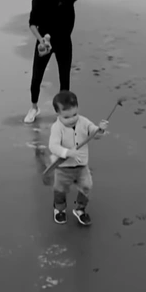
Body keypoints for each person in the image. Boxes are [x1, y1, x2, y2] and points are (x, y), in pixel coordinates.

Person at [24, 0, 93, 124]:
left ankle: (64, 112)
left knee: (64, 78)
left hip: (64, 42)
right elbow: (32, 24)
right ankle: (34, 108)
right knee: (37, 77)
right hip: (44, 43)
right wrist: (40, 39)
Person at [47, 90, 109, 225]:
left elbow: (94, 134)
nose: (72, 119)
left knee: (86, 187)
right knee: (60, 190)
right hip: (63, 168)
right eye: (67, 117)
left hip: (81, 166)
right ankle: (59, 210)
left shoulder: (84, 121)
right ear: (58, 114)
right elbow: (53, 146)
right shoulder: (57, 128)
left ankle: (80, 209)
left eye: (75, 114)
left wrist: (101, 129)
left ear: (78, 109)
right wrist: (67, 152)